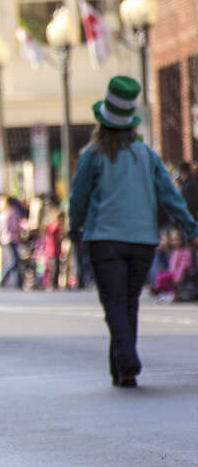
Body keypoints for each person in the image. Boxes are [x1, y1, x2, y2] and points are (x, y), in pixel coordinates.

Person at [69, 75, 198, 388]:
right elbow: (170, 196)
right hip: (141, 240)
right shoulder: (146, 155)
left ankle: (126, 358)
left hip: (104, 240)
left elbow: (78, 196)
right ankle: (122, 370)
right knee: (128, 302)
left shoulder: (92, 154)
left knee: (114, 303)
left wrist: (75, 228)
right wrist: (190, 228)